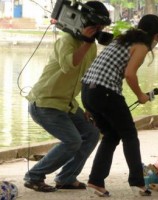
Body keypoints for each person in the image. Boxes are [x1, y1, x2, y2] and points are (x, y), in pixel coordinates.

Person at [23, 1, 111, 192]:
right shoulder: (66, 40)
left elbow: (88, 79)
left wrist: (89, 108)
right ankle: (34, 176)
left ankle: (66, 177)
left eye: (101, 28)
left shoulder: (91, 46)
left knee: (92, 133)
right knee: (72, 140)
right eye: (96, 27)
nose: (99, 31)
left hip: (67, 104)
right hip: (45, 102)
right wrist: (87, 43)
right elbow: (68, 65)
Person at [81, 14, 158, 197]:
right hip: (104, 91)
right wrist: (141, 95)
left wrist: (90, 105)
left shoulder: (122, 40)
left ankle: (95, 181)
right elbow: (130, 74)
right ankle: (137, 183)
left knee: (111, 135)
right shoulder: (141, 46)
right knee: (130, 135)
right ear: (156, 36)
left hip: (88, 91)